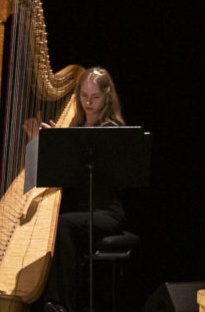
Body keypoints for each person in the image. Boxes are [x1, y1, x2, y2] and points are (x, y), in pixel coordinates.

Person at [25, 67, 128, 312]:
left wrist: (61, 143)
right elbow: (34, 177)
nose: (88, 102)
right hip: (79, 212)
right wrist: (36, 142)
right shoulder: (74, 130)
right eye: (83, 96)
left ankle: (59, 305)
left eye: (95, 97)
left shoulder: (110, 132)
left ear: (107, 97)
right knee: (52, 224)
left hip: (106, 214)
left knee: (62, 225)